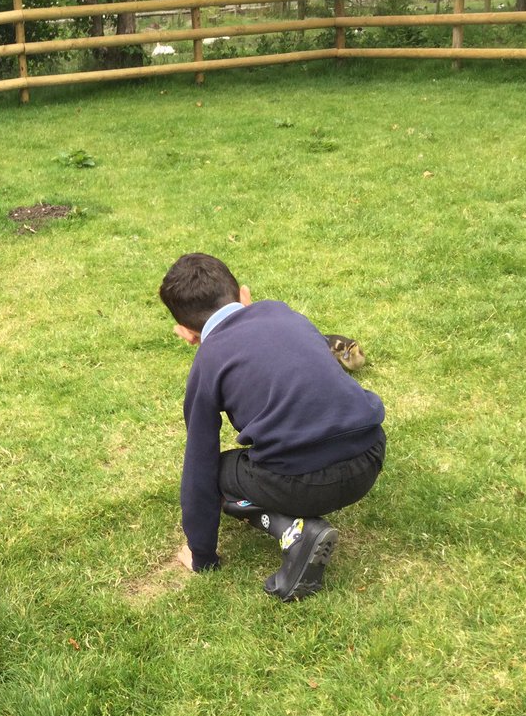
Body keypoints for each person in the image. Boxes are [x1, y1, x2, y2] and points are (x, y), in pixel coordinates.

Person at [158, 253, 385, 601]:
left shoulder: (208, 361)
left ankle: (295, 532)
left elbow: (199, 465)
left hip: (303, 483)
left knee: (219, 472)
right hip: (370, 455)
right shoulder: (283, 312)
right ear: (245, 296)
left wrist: (201, 554)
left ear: (188, 335)